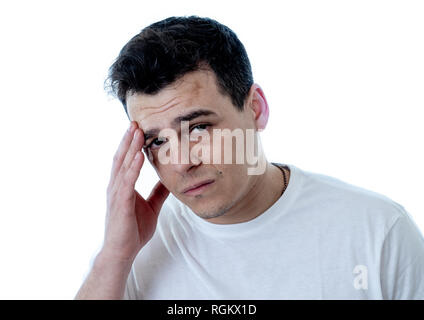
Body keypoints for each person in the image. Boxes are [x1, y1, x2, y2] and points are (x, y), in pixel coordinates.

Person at [75, 16, 424, 300]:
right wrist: (114, 258)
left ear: (255, 109)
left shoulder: (377, 232)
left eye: (198, 128)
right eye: (156, 141)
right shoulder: (134, 252)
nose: (181, 161)